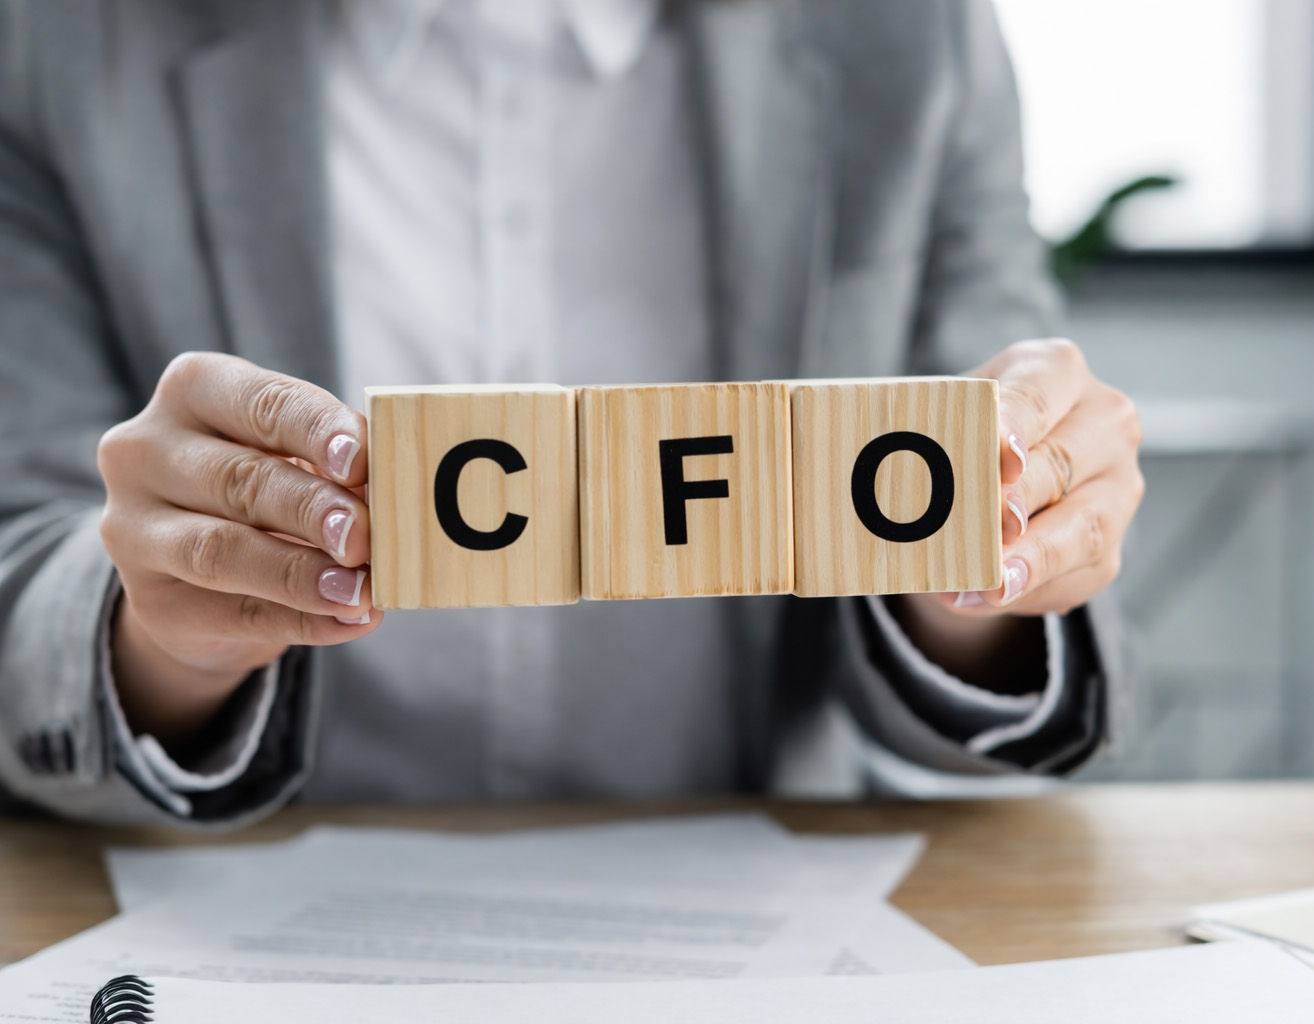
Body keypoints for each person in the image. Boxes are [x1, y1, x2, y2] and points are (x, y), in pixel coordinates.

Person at [0, 0, 1144, 827]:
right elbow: (24, 549)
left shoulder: (912, 32)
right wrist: (163, 631)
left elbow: (1010, 462)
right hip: (258, 894)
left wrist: (996, 555)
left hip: (757, 887)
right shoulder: (60, 44)